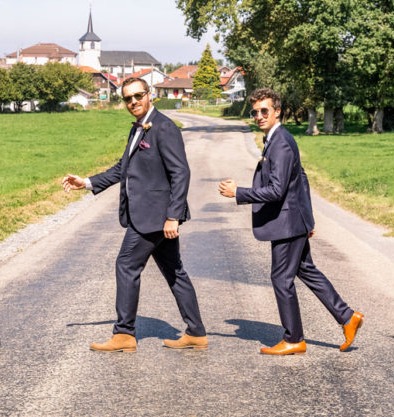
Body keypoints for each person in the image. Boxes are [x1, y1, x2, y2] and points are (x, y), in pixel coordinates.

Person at [63, 78, 207, 352]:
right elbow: (122, 169)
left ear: (149, 95)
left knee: (126, 265)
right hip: (152, 217)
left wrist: (173, 216)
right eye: (127, 99)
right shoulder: (139, 128)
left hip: (155, 218)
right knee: (174, 271)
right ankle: (197, 332)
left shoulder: (163, 127)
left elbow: (181, 173)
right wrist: (87, 182)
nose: (133, 102)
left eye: (138, 96)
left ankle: (124, 334)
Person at [218, 88, 364, 355]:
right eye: (255, 112)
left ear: (277, 111)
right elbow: (302, 179)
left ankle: (294, 338)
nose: (259, 116)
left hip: (287, 222)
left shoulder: (281, 143)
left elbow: (277, 190)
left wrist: (238, 192)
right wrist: (308, 219)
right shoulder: (275, 139)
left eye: (265, 111)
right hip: (293, 220)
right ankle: (347, 317)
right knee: (306, 270)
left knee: (281, 278)